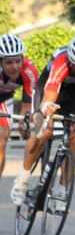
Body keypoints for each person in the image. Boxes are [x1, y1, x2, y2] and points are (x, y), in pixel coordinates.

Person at [10, 34, 75, 206]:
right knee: (45, 130)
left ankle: (62, 189)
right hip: (47, 89)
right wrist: (46, 110)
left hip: (72, 94)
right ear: (72, 63)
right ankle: (23, 179)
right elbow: (47, 102)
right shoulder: (61, 62)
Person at [0, 34, 36, 190]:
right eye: (9, 62)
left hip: (5, 97)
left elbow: (27, 106)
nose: (14, 67)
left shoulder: (29, 71)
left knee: (1, 142)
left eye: (17, 61)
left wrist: (23, 124)